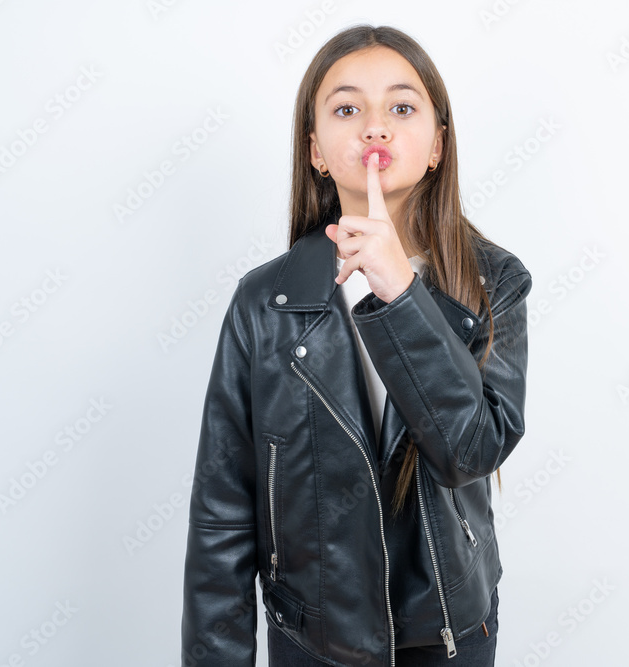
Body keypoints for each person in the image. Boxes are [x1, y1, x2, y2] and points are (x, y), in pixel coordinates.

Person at [181, 24, 533, 667]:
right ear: (315, 150)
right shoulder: (265, 303)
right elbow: (222, 514)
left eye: (402, 108)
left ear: (438, 144)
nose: (375, 129)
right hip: (313, 638)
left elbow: (472, 451)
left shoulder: (494, 283)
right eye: (347, 110)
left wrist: (399, 290)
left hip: (449, 634)